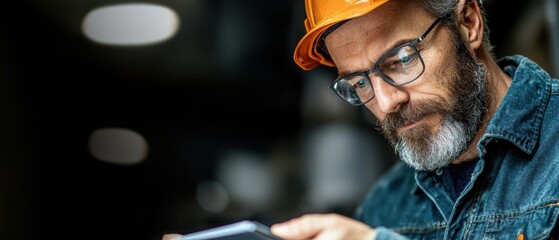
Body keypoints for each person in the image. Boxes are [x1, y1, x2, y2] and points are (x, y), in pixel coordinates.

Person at [162, 0, 559, 239]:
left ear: (468, 22)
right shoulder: (388, 203)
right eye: (358, 82)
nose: (385, 102)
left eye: (402, 60)